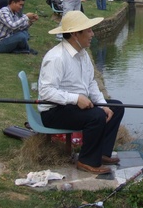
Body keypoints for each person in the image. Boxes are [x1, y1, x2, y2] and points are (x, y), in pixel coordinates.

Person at [38, 11, 125, 174]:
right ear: (75, 34)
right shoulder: (56, 57)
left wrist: (103, 104)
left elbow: (91, 83)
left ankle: (101, 153)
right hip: (54, 111)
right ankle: (86, 161)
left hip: (74, 107)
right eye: (89, 30)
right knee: (96, 116)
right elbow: (46, 92)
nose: (92, 34)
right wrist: (76, 98)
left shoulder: (83, 54)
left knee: (116, 108)